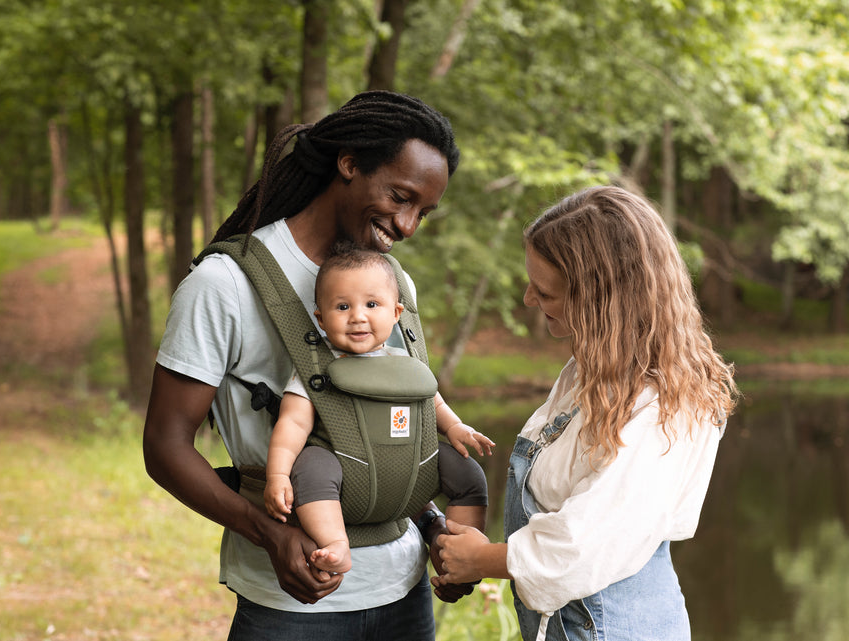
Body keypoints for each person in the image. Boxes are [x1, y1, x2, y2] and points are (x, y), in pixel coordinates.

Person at [142, 91, 473, 641]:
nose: (410, 225)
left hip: (404, 591)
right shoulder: (224, 286)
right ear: (348, 164)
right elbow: (165, 446)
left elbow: (393, 430)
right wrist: (268, 534)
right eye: (400, 196)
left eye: (424, 211)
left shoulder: (392, 286)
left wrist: (435, 524)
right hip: (289, 607)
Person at [431, 185, 739, 641]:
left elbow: (585, 544)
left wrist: (482, 559)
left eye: (546, 292)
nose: (528, 301)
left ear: (601, 301)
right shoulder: (589, 373)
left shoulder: (662, 407)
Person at [264, 243, 494, 575]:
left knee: (467, 471)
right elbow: (292, 426)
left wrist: (455, 427)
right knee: (311, 466)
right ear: (321, 319)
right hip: (343, 466)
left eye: (372, 304)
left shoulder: (406, 361)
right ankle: (336, 543)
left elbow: (432, 401)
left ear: (397, 313)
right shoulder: (316, 369)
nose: (358, 316)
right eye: (342, 306)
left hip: (409, 463)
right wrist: (277, 475)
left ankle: (453, 549)